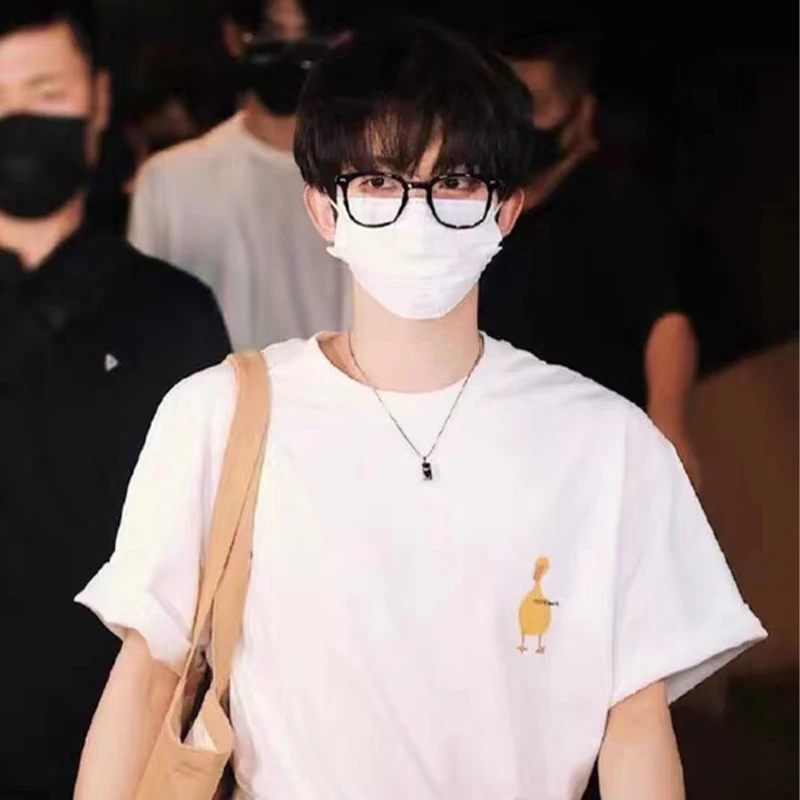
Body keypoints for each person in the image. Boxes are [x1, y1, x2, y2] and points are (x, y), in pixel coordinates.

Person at [75, 21, 765, 800]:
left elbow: (635, 724)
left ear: (506, 209)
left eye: (455, 182)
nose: (417, 213)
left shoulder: (607, 444)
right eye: (378, 183)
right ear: (323, 208)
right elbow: (145, 679)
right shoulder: (219, 416)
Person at [0, 2, 231, 795]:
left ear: (98, 100)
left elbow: (213, 572)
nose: (17, 121)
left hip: (118, 764)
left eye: (45, 94)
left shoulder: (173, 315)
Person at [479, 33, 703, 487]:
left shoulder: (609, 200)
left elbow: (665, 321)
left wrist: (668, 424)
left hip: (606, 463)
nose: (525, 123)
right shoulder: (468, 223)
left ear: (583, 113)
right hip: (513, 468)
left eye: (537, 105)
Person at [127, 0, 349, 350]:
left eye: (307, 36)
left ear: (339, 42)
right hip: (211, 385)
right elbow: (141, 326)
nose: (290, 52)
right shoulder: (170, 179)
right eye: (273, 34)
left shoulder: (366, 182)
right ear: (235, 37)